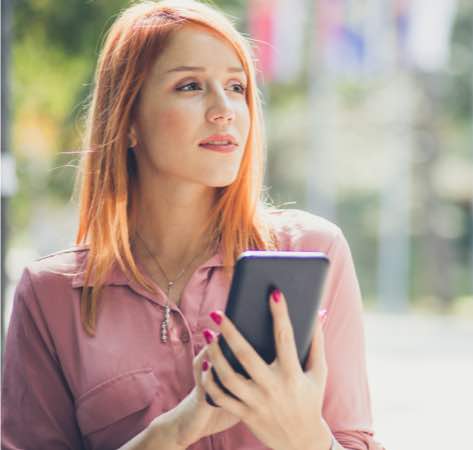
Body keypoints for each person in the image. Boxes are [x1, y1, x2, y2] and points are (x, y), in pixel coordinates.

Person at [0, 1, 383, 449]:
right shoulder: (50, 295)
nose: (224, 109)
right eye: (190, 86)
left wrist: (304, 436)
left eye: (237, 86)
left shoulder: (312, 251)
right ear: (127, 121)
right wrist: (176, 428)